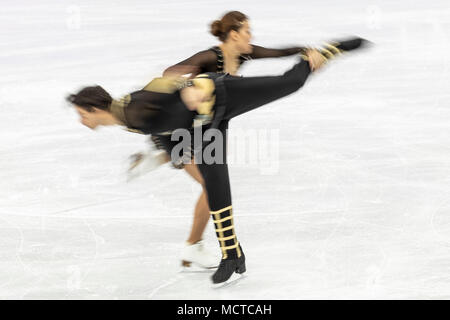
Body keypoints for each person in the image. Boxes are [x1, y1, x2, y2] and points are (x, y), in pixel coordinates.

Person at [67, 36, 367, 283]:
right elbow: (164, 126)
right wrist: (168, 153)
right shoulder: (126, 118)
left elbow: (164, 81)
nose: (81, 121)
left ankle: (325, 51)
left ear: (94, 109)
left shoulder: (131, 110)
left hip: (220, 95)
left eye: (82, 114)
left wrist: (186, 89)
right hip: (207, 125)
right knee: (215, 183)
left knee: (289, 83)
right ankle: (232, 255)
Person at [129, 11, 323, 270]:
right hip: (178, 130)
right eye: (247, 32)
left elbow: (275, 52)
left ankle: (158, 158)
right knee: (212, 187)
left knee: (211, 182)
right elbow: (169, 72)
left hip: (198, 128)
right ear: (233, 35)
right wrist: (188, 91)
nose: (251, 38)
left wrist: (307, 51)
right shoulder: (210, 57)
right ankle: (193, 244)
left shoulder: (243, 53)